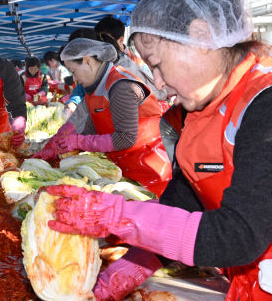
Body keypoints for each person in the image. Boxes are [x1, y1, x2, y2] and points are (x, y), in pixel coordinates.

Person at [45, 0, 272, 301]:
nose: (158, 83)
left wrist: (118, 215)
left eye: (157, 64)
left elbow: (239, 235)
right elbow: (181, 206)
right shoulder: (192, 116)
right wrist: (132, 264)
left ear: (199, 34)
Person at [34, 38, 171, 196]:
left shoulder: (121, 86)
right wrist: (54, 146)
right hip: (126, 169)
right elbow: (79, 124)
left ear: (88, 61)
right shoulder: (95, 89)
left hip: (150, 171)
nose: (75, 79)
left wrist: (79, 142)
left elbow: (125, 138)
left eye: (74, 72)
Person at [95, 15, 168, 102]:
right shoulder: (102, 65)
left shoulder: (129, 66)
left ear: (121, 40)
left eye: (105, 40)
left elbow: (160, 94)